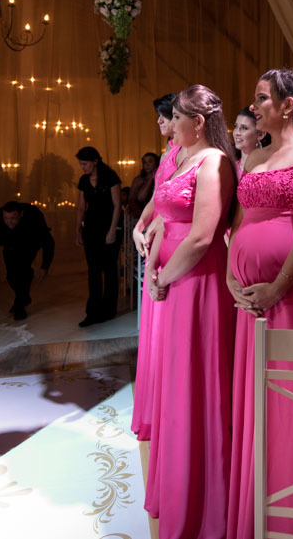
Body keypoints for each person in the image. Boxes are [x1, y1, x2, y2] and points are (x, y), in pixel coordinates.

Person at [226, 68, 293, 539]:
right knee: (258, 401)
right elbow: (243, 221)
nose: (254, 107)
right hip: (249, 301)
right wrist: (232, 274)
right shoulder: (253, 159)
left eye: (262, 99)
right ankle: (260, 504)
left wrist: (277, 286)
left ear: (288, 105)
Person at [144, 84, 237, 539]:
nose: (169, 125)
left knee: (195, 380)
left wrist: (166, 276)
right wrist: (151, 265)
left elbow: (202, 236)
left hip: (196, 280)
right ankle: (177, 477)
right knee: (174, 380)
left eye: (175, 118)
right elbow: (164, 218)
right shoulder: (179, 158)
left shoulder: (214, 162)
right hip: (170, 278)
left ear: (197, 123)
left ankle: (205, 495)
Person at [131, 93, 179, 441]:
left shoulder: (188, 155)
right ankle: (152, 408)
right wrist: (139, 224)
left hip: (170, 237)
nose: (160, 124)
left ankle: (167, 411)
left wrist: (155, 225)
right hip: (156, 235)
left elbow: (171, 202)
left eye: (164, 118)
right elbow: (157, 196)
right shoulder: (168, 153)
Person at [0, 200, 55, 320]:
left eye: (13, 218)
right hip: (9, 243)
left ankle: (19, 307)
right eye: (6, 218)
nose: (9, 221)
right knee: (11, 275)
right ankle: (24, 297)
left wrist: (45, 266)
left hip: (30, 242)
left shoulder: (33, 215)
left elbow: (48, 243)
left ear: (21, 214)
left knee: (23, 271)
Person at [74, 146, 123, 327]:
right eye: (80, 164)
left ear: (95, 161)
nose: (82, 167)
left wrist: (112, 230)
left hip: (110, 227)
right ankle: (92, 312)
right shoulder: (84, 180)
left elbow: (117, 205)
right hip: (91, 230)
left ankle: (109, 310)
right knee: (93, 271)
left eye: (85, 163)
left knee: (109, 270)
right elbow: (81, 207)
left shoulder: (110, 176)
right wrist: (77, 230)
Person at [231, 106, 268, 173]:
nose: (237, 133)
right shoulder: (231, 168)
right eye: (236, 126)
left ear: (261, 134)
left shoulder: (268, 168)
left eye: (244, 128)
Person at [126, 152, 159, 226]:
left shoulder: (160, 178)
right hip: (140, 216)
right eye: (144, 162)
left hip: (157, 216)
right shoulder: (138, 180)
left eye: (150, 162)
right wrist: (142, 215)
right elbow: (132, 200)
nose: (147, 165)